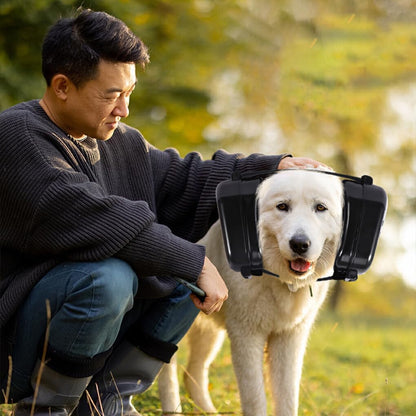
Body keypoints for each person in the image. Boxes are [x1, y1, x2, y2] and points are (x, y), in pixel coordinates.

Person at [0, 8, 325, 416]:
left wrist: (269, 167)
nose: (124, 110)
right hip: (13, 338)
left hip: (72, 332)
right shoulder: (16, 138)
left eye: (129, 93)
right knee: (110, 278)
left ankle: (106, 403)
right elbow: (96, 216)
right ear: (62, 86)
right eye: (112, 95)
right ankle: (46, 408)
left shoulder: (120, 141)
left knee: (175, 274)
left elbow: (185, 178)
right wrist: (197, 263)